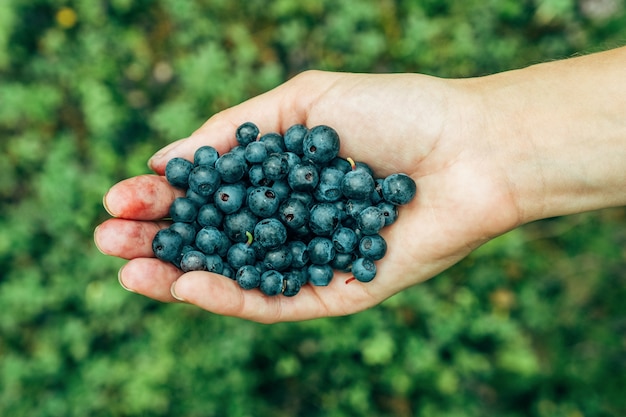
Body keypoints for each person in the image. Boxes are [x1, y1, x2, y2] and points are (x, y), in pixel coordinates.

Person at [94, 46, 626, 323]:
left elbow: (295, 216)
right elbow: (279, 224)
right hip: (294, 238)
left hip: (309, 232)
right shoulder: (255, 209)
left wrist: (486, 143)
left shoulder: (311, 202)